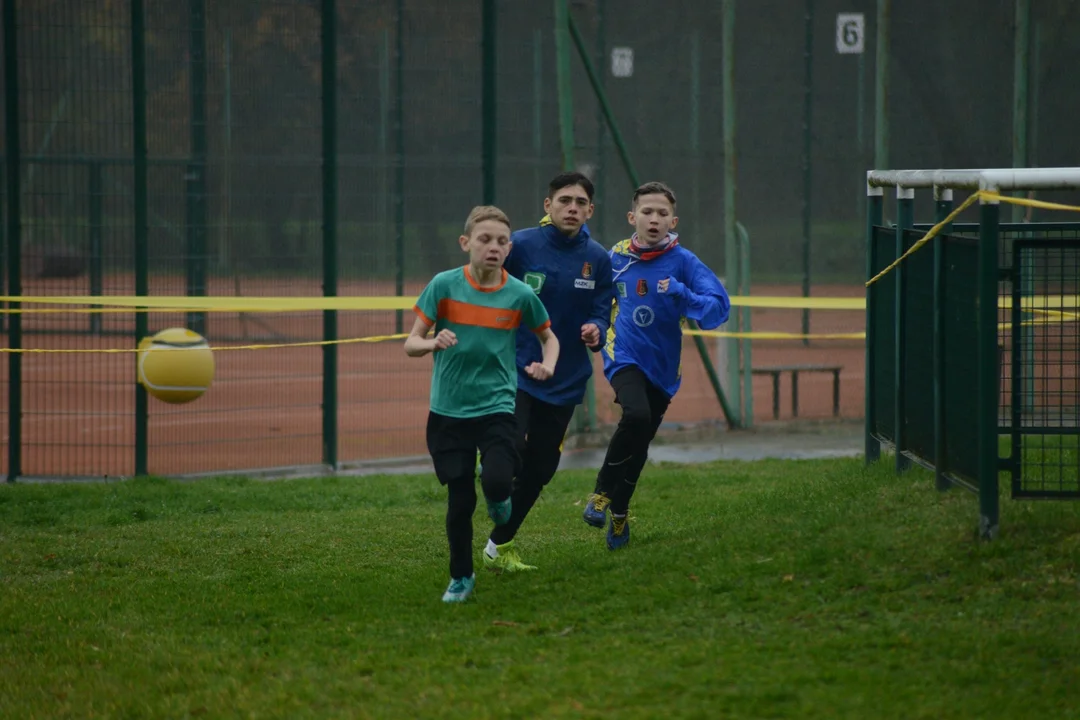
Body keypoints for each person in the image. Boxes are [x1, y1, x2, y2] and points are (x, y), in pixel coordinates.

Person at [405, 205, 560, 603]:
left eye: (501, 241)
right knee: (460, 502)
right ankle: (461, 577)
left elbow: (549, 337)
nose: (493, 247)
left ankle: (499, 496)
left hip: (497, 405)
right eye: (484, 239)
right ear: (466, 243)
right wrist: (432, 342)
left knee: (495, 482)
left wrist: (548, 364)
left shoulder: (520, 294)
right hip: (448, 410)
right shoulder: (443, 285)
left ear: (509, 249)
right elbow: (411, 342)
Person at [582, 181, 730, 549]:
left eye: (662, 213)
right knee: (636, 416)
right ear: (632, 217)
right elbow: (580, 265)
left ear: (673, 220)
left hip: (664, 366)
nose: (654, 219)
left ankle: (620, 513)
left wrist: (681, 293)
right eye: (647, 212)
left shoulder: (683, 261)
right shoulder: (614, 258)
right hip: (623, 353)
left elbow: (717, 309)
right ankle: (600, 495)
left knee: (641, 440)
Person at [481, 172, 614, 573]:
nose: (572, 208)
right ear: (548, 206)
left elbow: (601, 310)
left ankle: (498, 545)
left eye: (580, 202)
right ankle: (494, 474)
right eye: (564, 200)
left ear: (590, 210)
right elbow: (485, 282)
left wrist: (596, 329)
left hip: (565, 378)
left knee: (540, 470)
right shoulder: (520, 245)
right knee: (510, 454)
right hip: (515, 369)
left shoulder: (598, 259)